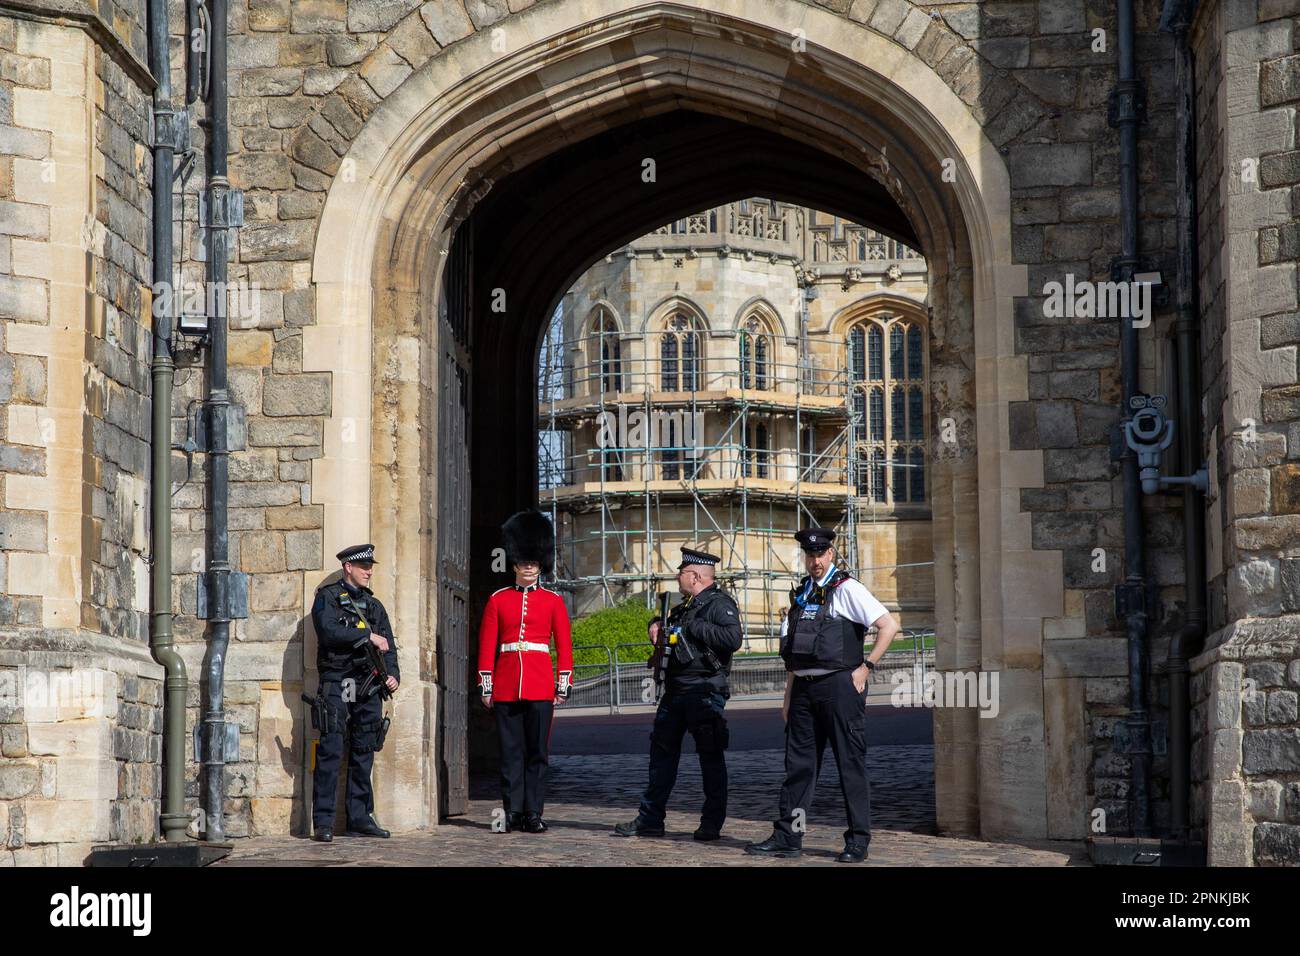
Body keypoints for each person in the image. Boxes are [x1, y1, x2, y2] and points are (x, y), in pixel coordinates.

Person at [745, 527, 899, 862]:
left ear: (830, 554)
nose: (815, 561)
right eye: (809, 555)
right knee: (799, 768)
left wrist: (866, 667)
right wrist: (788, 696)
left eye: (820, 554)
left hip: (839, 687)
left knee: (850, 765)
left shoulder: (847, 589)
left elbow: (888, 625)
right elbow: (795, 654)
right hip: (803, 690)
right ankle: (790, 835)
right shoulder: (801, 593)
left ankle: (858, 840)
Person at [614, 547, 743, 841]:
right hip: (675, 692)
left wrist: (693, 627)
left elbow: (733, 638)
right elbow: (669, 626)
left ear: (695, 575)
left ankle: (711, 823)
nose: (677, 576)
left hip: (705, 690)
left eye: (681, 572)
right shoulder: (684, 606)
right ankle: (650, 819)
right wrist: (655, 626)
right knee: (661, 756)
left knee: (710, 758)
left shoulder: (718, 604)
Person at [477, 509, 573, 833]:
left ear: (540, 563)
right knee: (510, 754)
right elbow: (487, 646)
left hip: (540, 685)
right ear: (515, 563)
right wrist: (486, 685)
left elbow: (563, 645)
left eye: (534, 561)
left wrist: (563, 682)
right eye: (524, 561)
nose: (529, 566)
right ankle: (512, 811)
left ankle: (533, 812)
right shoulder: (497, 600)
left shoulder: (553, 601)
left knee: (537, 754)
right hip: (506, 687)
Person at [309, 544, 400, 842]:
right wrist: (366, 635)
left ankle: (360, 818)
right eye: (363, 566)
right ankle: (323, 821)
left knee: (364, 750)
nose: (369, 571)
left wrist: (393, 675)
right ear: (348, 567)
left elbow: (388, 645)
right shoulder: (328, 597)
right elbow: (328, 631)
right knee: (331, 750)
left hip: (368, 684)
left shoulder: (375, 606)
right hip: (338, 681)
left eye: (370, 566)